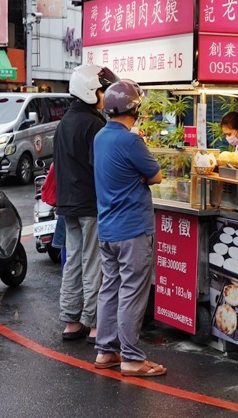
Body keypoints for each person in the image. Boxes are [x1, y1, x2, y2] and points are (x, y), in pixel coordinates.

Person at [92, 80, 167, 378]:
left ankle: (105, 351)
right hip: (133, 229)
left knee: (110, 289)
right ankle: (132, 358)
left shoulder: (100, 137)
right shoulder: (131, 141)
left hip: (108, 228)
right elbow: (157, 175)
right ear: (135, 108)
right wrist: (142, 178)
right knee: (132, 292)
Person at [55, 64, 116, 343]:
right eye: (103, 91)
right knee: (93, 263)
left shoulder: (64, 122)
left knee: (73, 262)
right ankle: (92, 323)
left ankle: (70, 320)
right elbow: (101, 167)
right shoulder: (94, 124)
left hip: (67, 203)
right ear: (91, 92)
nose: (105, 96)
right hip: (90, 204)